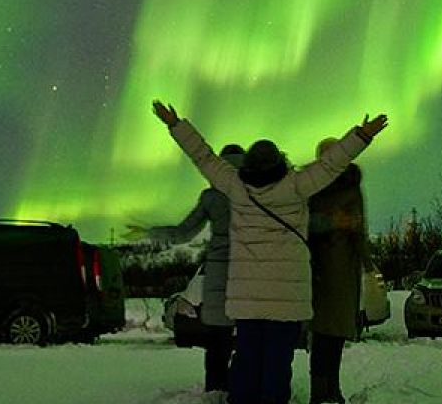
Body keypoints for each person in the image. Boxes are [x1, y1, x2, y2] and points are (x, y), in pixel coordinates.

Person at [153, 100, 387, 404]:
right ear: (280, 162)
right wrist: (363, 134)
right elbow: (333, 163)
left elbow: (204, 157)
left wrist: (175, 124)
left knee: (248, 360)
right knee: (277, 365)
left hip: (247, 298)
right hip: (287, 302)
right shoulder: (297, 185)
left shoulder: (235, 186)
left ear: (248, 165)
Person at [128, 144, 245, 402]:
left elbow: (184, 233)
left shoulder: (212, 197)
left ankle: (216, 390)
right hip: (250, 270)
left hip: (217, 273)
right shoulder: (258, 192)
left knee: (217, 339)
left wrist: (149, 232)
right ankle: (245, 386)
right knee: (250, 334)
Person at [307, 138, 369, 404]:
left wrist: (365, 260)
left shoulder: (349, 187)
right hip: (320, 270)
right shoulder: (309, 187)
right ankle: (322, 392)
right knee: (323, 337)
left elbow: (359, 227)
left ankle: (330, 389)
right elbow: (300, 223)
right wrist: (333, 224)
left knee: (334, 336)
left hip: (342, 270)